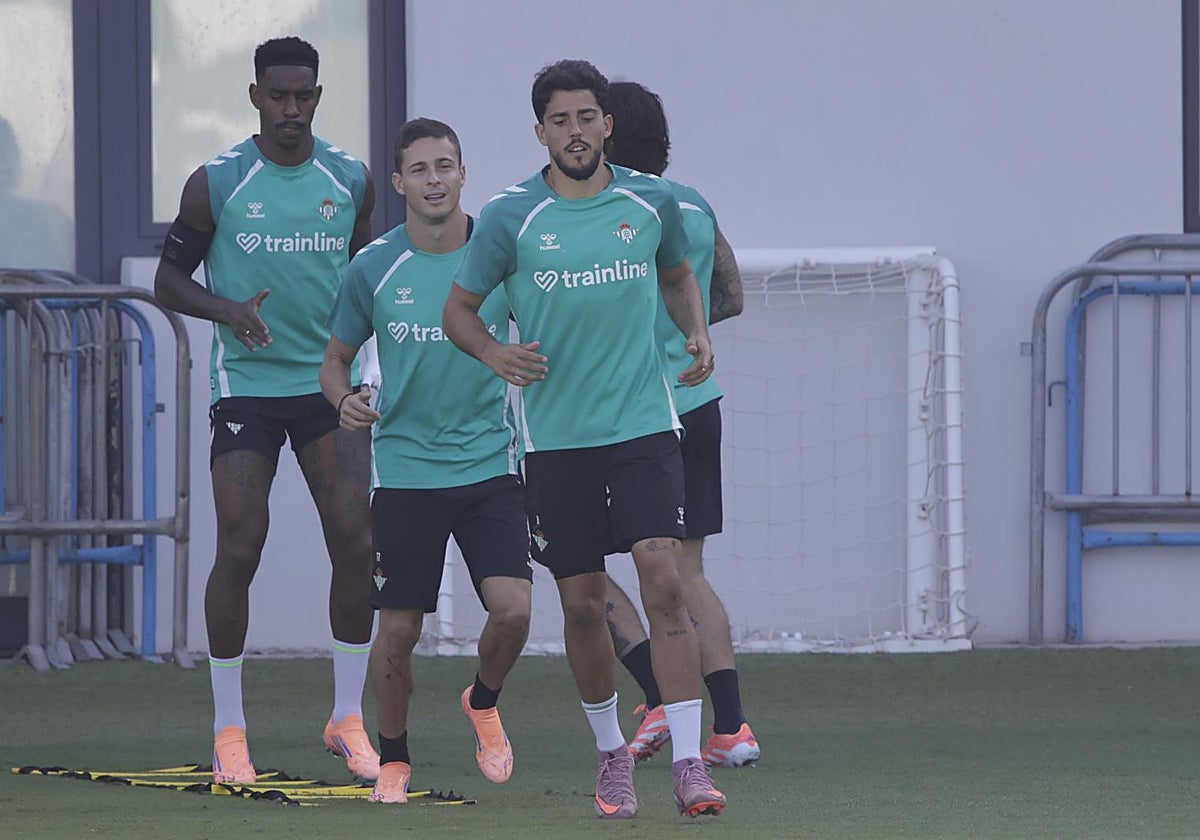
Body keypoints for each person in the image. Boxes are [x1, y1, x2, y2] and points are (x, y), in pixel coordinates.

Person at [444, 58, 727, 820]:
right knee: (581, 605)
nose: (576, 131)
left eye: (587, 117)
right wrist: (493, 353)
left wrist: (695, 330)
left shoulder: (651, 199)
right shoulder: (510, 216)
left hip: (643, 424)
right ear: (540, 132)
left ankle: (693, 764)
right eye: (560, 120)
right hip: (556, 441)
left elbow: (677, 278)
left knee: (663, 580)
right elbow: (460, 310)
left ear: (607, 123)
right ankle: (610, 757)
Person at [153, 36, 380, 786]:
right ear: (255, 97)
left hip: (325, 386)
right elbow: (167, 281)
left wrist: (364, 373)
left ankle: (348, 718)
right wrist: (227, 310)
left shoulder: (349, 177)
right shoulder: (215, 183)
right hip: (247, 385)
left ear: (318, 95)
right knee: (242, 545)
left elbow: (365, 279)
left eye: (304, 96)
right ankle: (228, 731)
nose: (291, 109)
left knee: (355, 543)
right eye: (278, 96)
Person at [319, 118, 533, 804]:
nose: (434, 179)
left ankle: (483, 699)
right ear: (401, 182)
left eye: (446, 165)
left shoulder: (501, 256)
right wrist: (343, 401)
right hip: (406, 471)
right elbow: (334, 362)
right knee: (400, 633)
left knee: (514, 612)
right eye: (420, 169)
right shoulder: (374, 266)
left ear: (464, 174)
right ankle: (395, 758)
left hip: (489, 464)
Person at [600, 80, 759, 769]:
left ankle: (656, 696)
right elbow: (729, 295)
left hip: (630, 415)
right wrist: (685, 339)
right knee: (688, 571)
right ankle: (732, 729)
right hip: (697, 403)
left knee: (573, 564)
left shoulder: (608, 209)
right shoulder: (691, 201)